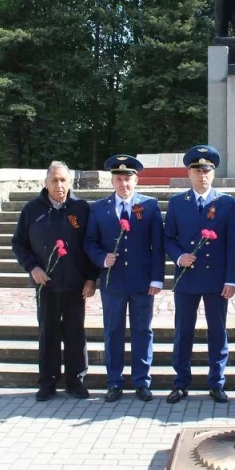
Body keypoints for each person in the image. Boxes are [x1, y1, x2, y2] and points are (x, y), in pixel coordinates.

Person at [11, 161, 99, 402]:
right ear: (46, 183)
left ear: (70, 182)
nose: (59, 185)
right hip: (45, 284)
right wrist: (32, 267)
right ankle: (48, 381)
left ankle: (75, 380)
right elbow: (18, 243)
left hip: (75, 284)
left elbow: (91, 245)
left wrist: (91, 278)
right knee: (48, 332)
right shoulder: (32, 210)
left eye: (63, 180)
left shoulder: (81, 208)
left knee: (74, 332)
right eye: (54, 180)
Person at [163, 145, 235, 404]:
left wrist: (231, 279)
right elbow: (168, 239)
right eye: (197, 170)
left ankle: (216, 382)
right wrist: (178, 256)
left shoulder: (226, 203)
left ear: (213, 173)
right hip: (187, 277)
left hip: (216, 279)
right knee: (183, 330)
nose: (202, 175)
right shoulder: (177, 203)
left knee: (217, 331)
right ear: (189, 173)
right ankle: (181, 382)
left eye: (206, 170)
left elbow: (232, 243)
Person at [84, 155, 164, 403]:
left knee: (142, 331)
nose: (123, 183)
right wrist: (101, 258)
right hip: (113, 282)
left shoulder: (149, 206)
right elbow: (89, 242)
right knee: (113, 332)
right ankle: (114, 381)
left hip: (142, 282)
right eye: (118, 178)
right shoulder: (98, 208)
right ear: (112, 181)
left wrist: (157, 279)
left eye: (128, 178)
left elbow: (157, 246)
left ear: (136, 179)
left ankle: (142, 381)